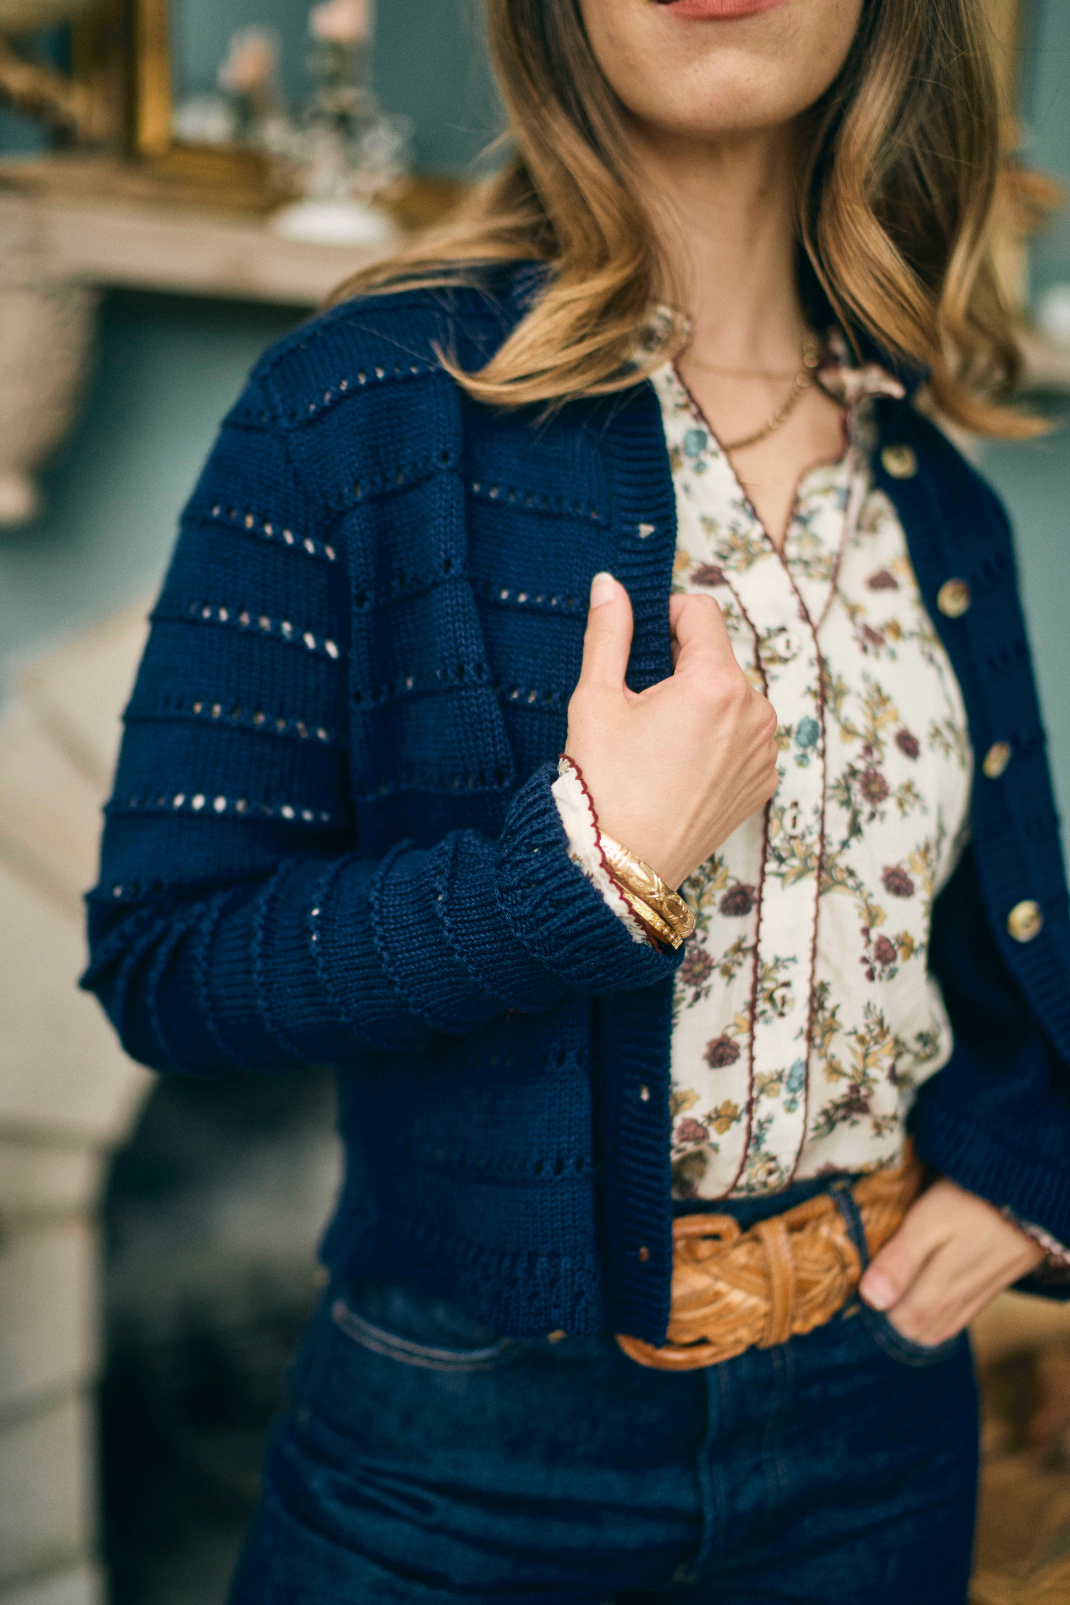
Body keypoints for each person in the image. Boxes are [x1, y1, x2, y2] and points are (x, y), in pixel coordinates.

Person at [84, 0, 1070, 1598]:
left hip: (878, 1426)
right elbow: (169, 964)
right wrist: (587, 871)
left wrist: (1036, 1167)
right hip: (461, 1459)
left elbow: (1004, 937)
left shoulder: (934, 494)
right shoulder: (354, 408)